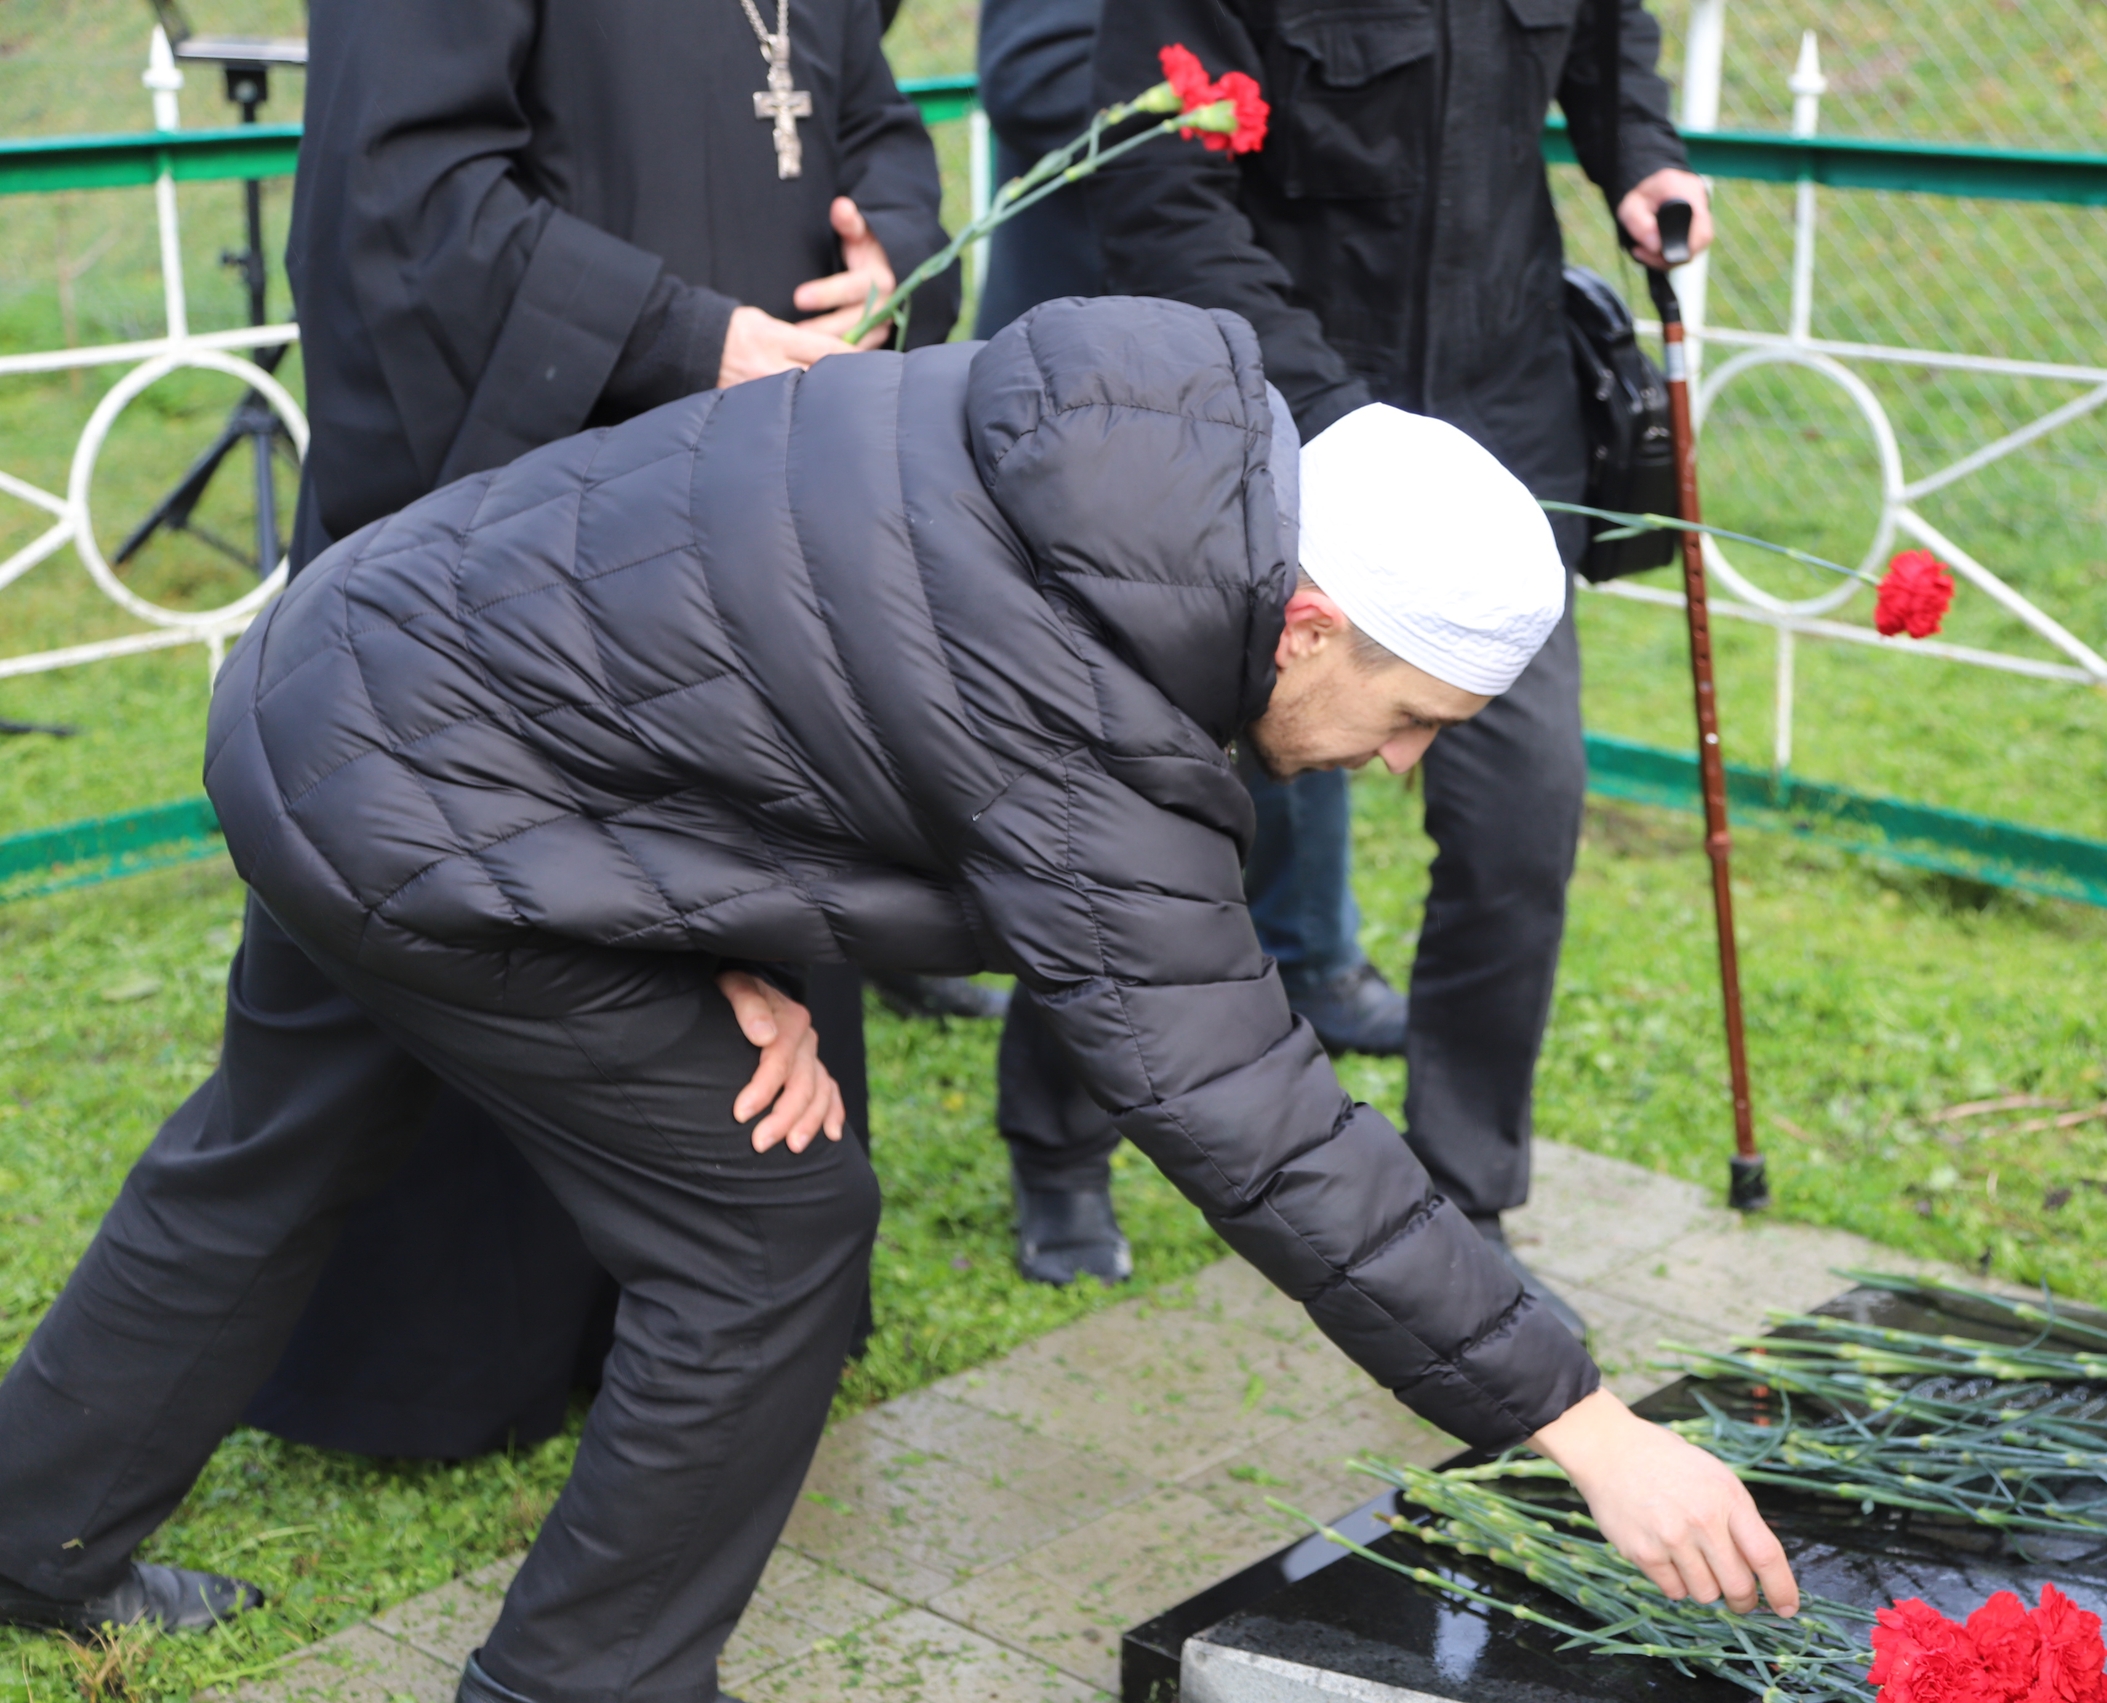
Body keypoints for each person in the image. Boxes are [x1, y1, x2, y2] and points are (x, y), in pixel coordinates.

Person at [0, 298, 1798, 1692]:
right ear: (1313, 619)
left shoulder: (1116, 454)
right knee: (764, 1238)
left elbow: (760, 658)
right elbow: (1252, 1117)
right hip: (425, 796)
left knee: (274, 1145)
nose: (1396, 769)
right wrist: (1577, 1422)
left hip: (352, 662)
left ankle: (29, 1534)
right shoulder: (1097, 699)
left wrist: (705, 936)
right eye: (1412, 722)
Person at [208, 0, 959, 1464]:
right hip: (528, 502)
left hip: (747, 499)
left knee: (728, 856)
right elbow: (405, 200)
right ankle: (429, 1366)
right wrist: (687, 339)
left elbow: (860, 105)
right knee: (382, 1003)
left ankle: (680, 1320)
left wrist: (890, 258)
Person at [1014, 0, 1715, 1330]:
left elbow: (1606, 41)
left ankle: (1464, 1200)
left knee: (1522, 816)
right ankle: (1059, 1145)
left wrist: (1644, 157)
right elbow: (1160, 189)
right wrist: (1331, 419)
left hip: (1502, 419)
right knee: (1166, 805)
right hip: (1282, 417)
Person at [972, 0, 1405, 1293]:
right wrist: (1238, 92)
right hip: (1105, 396)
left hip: (1294, 375)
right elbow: (1038, 75)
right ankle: (1059, 1152)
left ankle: (1308, 951)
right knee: (1103, 793)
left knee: (1315, 715)